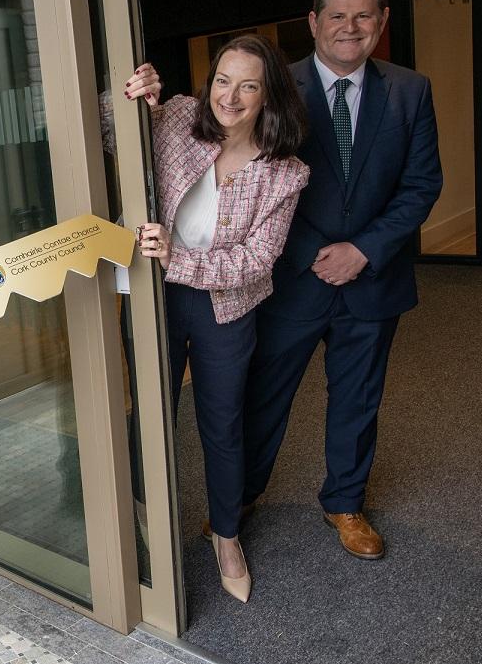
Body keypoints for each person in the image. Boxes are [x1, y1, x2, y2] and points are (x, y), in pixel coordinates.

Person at [241, 0, 443, 559]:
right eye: (337, 15)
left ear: (380, 24)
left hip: (373, 278)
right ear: (313, 23)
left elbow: (422, 184)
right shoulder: (274, 87)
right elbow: (254, 180)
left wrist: (364, 250)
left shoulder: (411, 90)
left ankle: (345, 503)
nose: (349, 28)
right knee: (265, 393)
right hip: (292, 277)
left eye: (363, 16)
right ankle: (241, 498)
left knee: (358, 398)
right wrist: (313, 253)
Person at [124, 34, 310, 602]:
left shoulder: (285, 173)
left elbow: (258, 259)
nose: (230, 96)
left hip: (225, 306)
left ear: (267, 95)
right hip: (156, 293)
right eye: (223, 80)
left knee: (223, 425)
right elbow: (107, 131)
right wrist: (131, 92)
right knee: (148, 410)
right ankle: (141, 514)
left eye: (248, 85)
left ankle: (226, 536)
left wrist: (179, 257)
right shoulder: (178, 117)